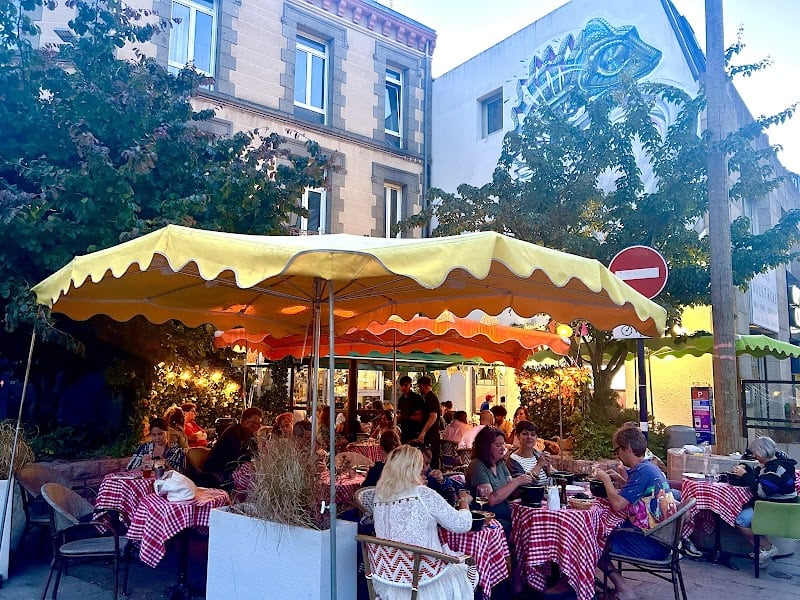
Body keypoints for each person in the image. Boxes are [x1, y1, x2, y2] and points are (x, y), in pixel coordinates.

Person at [373, 445, 478, 600]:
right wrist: (464, 502)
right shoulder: (422, 493)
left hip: (389, 580)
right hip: (425, 580)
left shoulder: (380, 495)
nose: (424, 469)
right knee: (469, 571)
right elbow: (462, 525)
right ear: (413, 467)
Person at [594, 426, 670, 600]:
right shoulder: (649, 468)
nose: (617, 456)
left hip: (651, 544)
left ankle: (623, 590)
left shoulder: (642, 471)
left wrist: (605, 480)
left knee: (591, 541)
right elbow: (640, 492)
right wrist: (621, 480)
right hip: (662, 538)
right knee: (600, 533)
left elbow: (618, 505)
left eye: (617, 451)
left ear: (627, 448)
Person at [731, 436, 798, 563]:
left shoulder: (774, 470)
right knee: (742, 517)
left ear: (762, 452)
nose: (754, 456)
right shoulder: (777, 464)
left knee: (740, 521)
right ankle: (762, 553)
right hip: (781, 505)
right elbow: (756, 478)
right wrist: (745, 468)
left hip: (776, 508)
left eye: (755, 453)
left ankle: (769, 548)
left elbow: (761, 492)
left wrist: (744, 475)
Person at [466, 426, 533, 536]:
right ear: (485, 447)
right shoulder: (477, 465)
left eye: (503, 444)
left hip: (506, 514)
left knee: (531, 524)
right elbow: (490, 499)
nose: (503, 448)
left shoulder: (500, 464)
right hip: (488, 520)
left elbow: (511, 490)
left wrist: (527, 485)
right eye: (498, 445)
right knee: (521, 531)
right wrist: (517, 481)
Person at [201, 407, 263, 488]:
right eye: (255, 423)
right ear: (245, 421)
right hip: (218, 472)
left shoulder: (250, 435)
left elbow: (255, 455)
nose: (258, 426)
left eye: (259, 424)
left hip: (232, 470)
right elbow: (236, 458)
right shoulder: (233, 432)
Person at [416, 375, 442, 469]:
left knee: (431, 460)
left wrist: (423, 432)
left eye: (419, 387)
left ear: (423, 386)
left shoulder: (431, 398)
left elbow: (433, 416)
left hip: (432, 435)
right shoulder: (428, 398)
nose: (419, 389)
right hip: (431, 434)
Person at [396, 375, 424, 443]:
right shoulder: (401, 400)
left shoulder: (417, 398)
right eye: (402, 385)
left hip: (415, 431)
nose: (403, 387)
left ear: (410, 385)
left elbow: (420, 417)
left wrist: (407, 416)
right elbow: (400, 415)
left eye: (406, 385)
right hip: (404, 431)